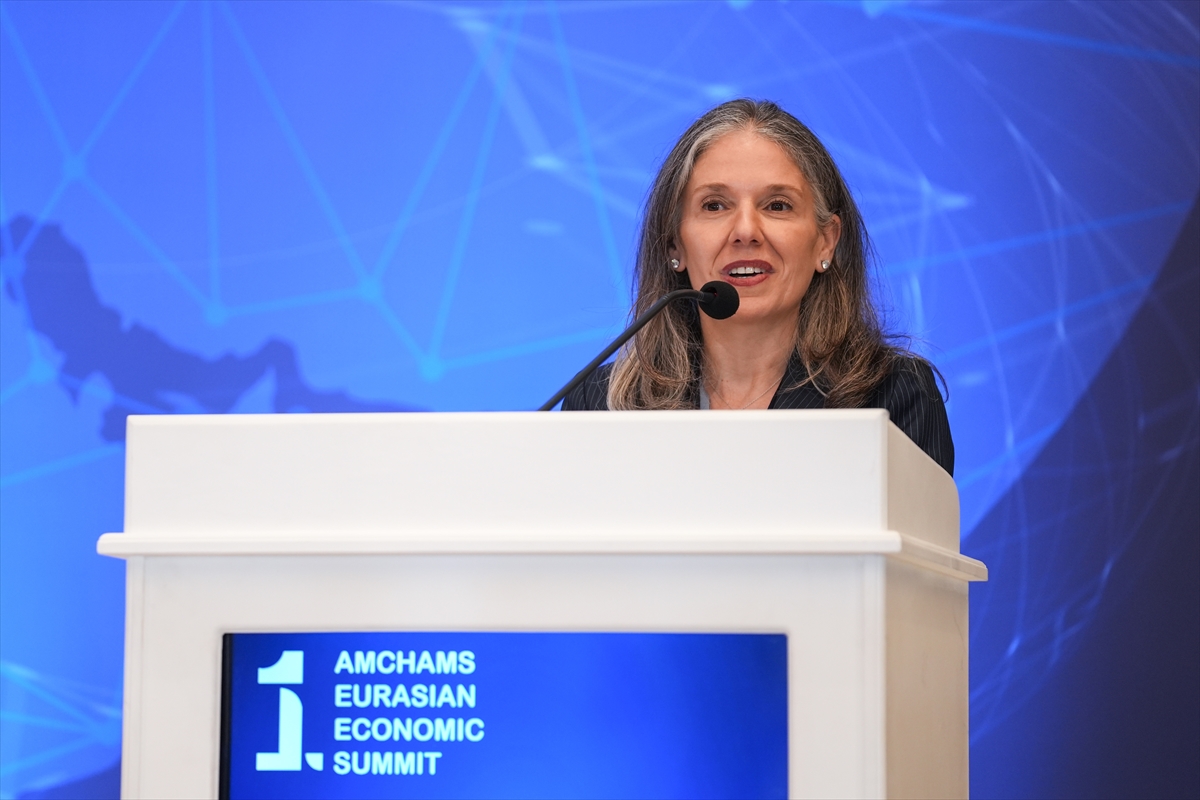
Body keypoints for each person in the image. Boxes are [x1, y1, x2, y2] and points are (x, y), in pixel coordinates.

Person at [562, 99, 954, 476]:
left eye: (777, 205)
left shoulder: (892, 396)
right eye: (715, 205)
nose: (746, 231)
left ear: (825, 242)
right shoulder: (599, 406)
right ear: (674, 245)